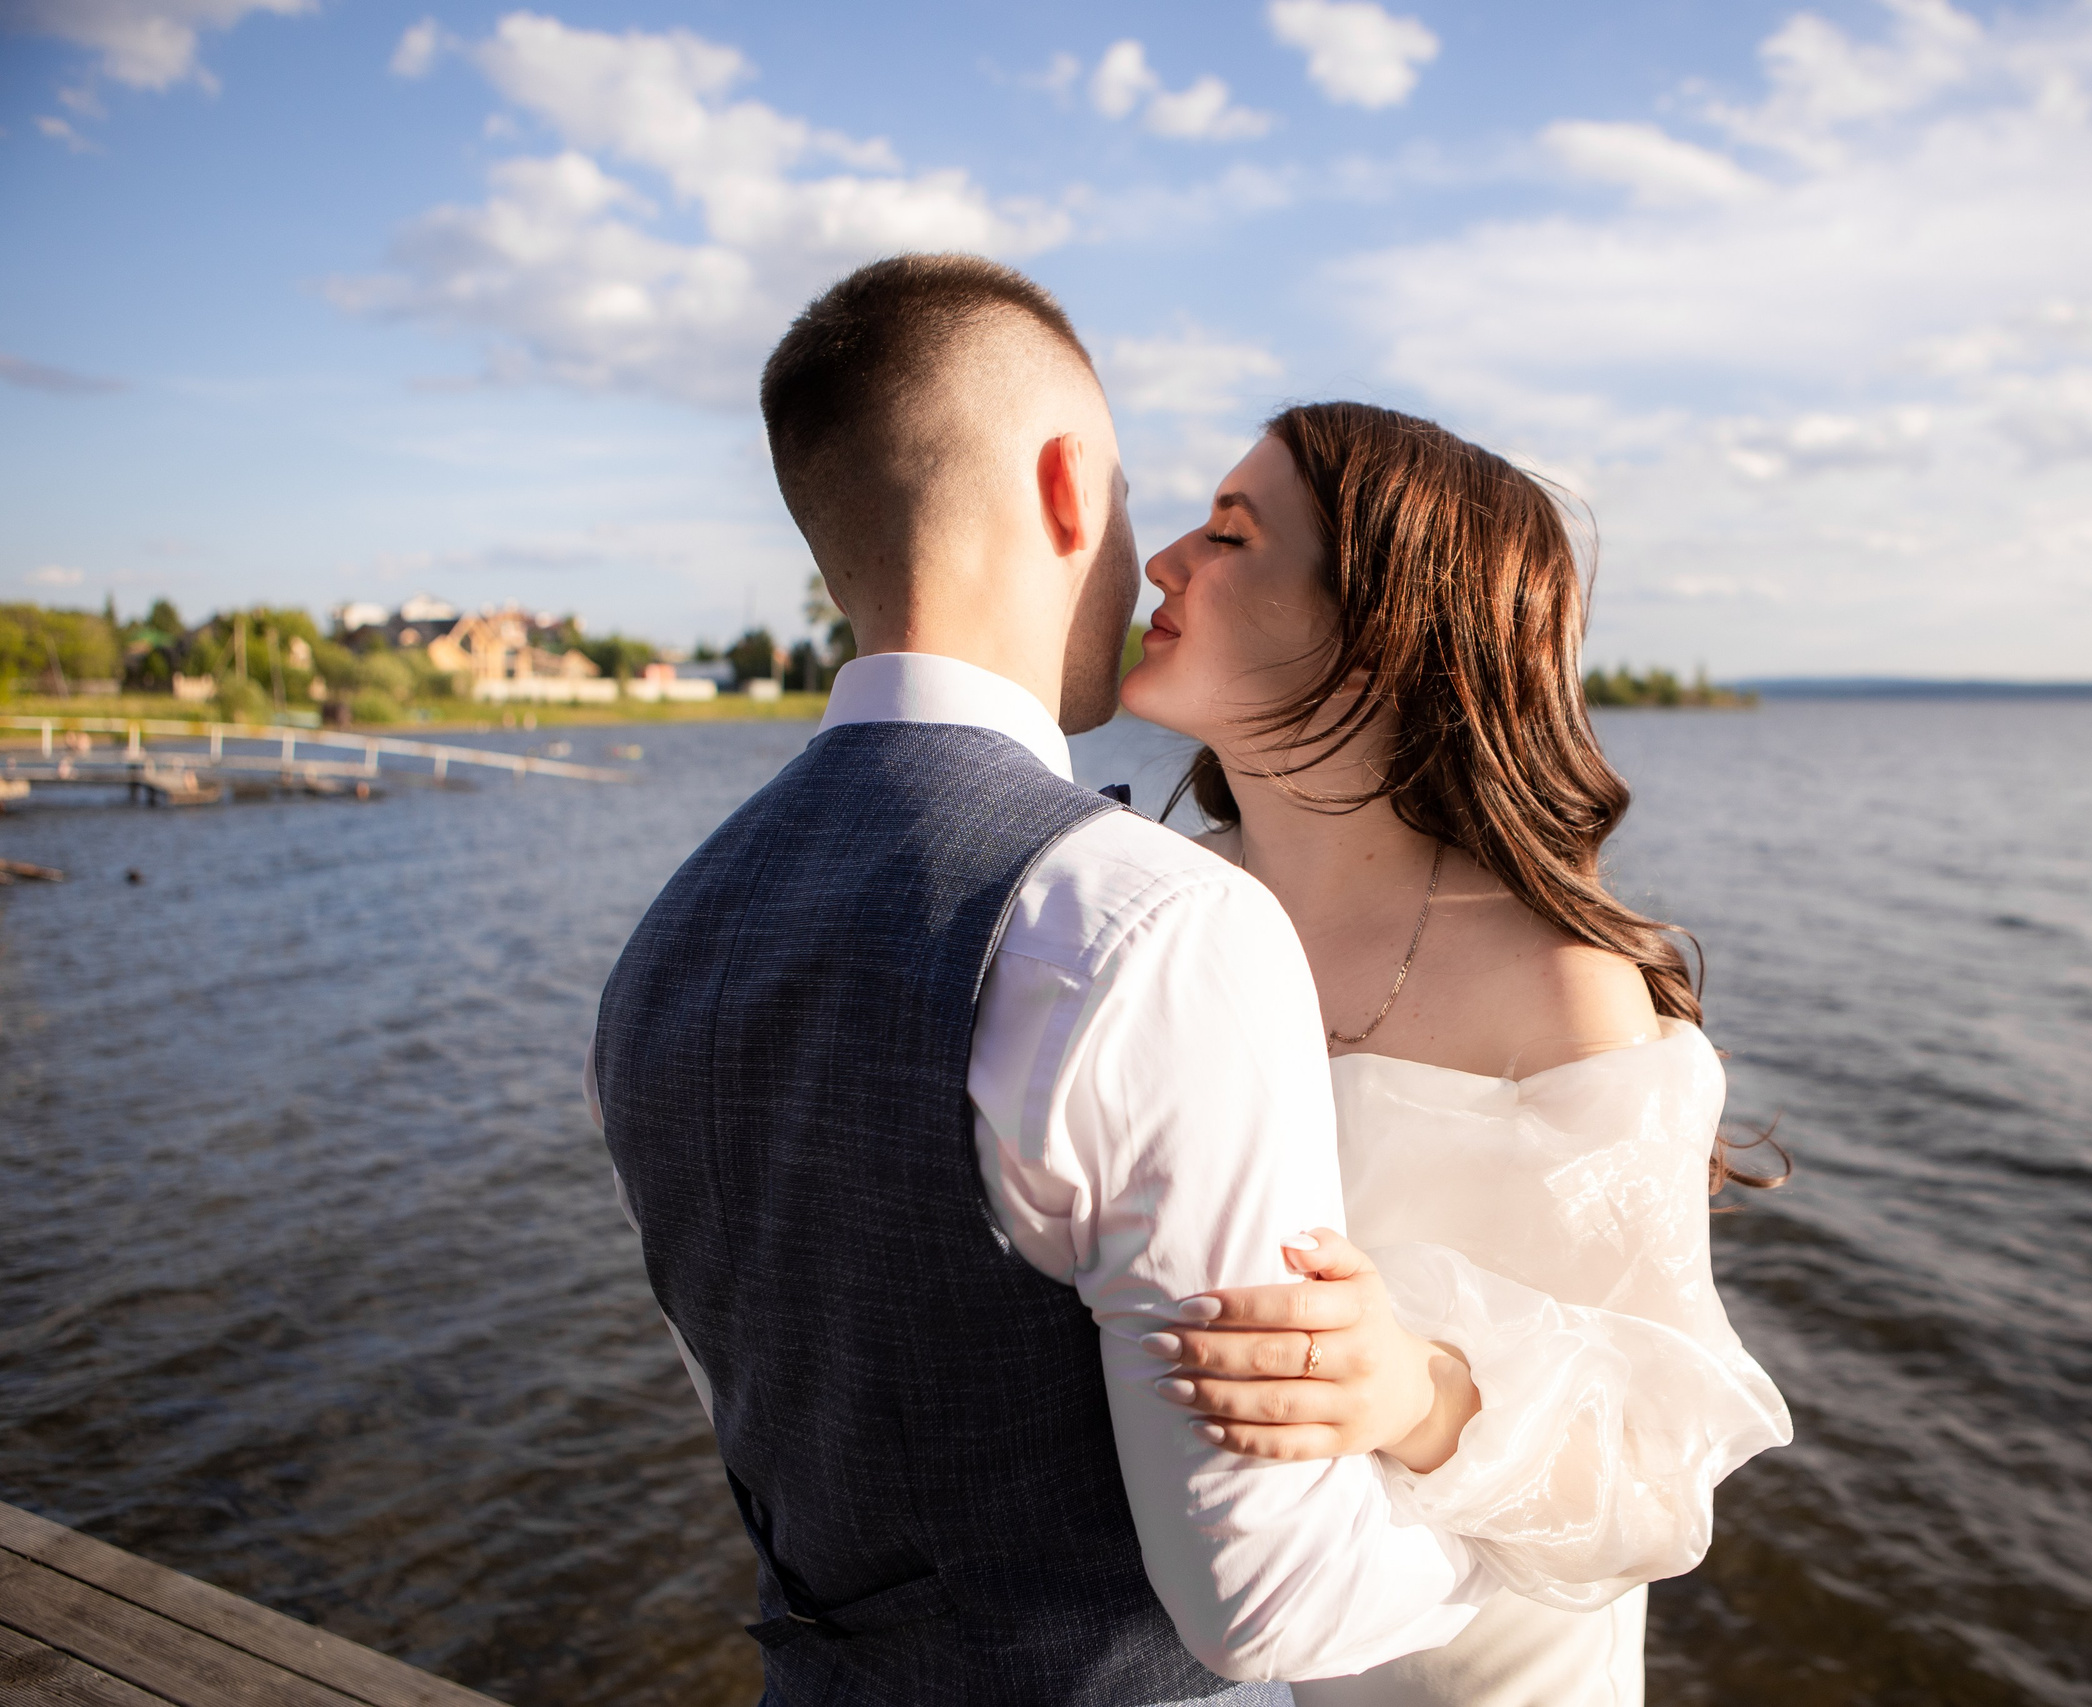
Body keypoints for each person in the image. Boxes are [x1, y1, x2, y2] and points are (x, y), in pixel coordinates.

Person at [588, 259, 1501, 1705]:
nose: (1149, 561)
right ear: (1071, 486)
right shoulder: (1155, 926)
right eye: (1139, 500)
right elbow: (1269, 1602)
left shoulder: (661, 953)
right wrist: (1507, 1541)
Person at [1115, 404, 1794, 1706]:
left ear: (1376, 637)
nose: (1165, 562)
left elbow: (1657, 1472)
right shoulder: (1162, 917)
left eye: (1229, 533)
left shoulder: (1560, 989)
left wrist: (1413, 1388)